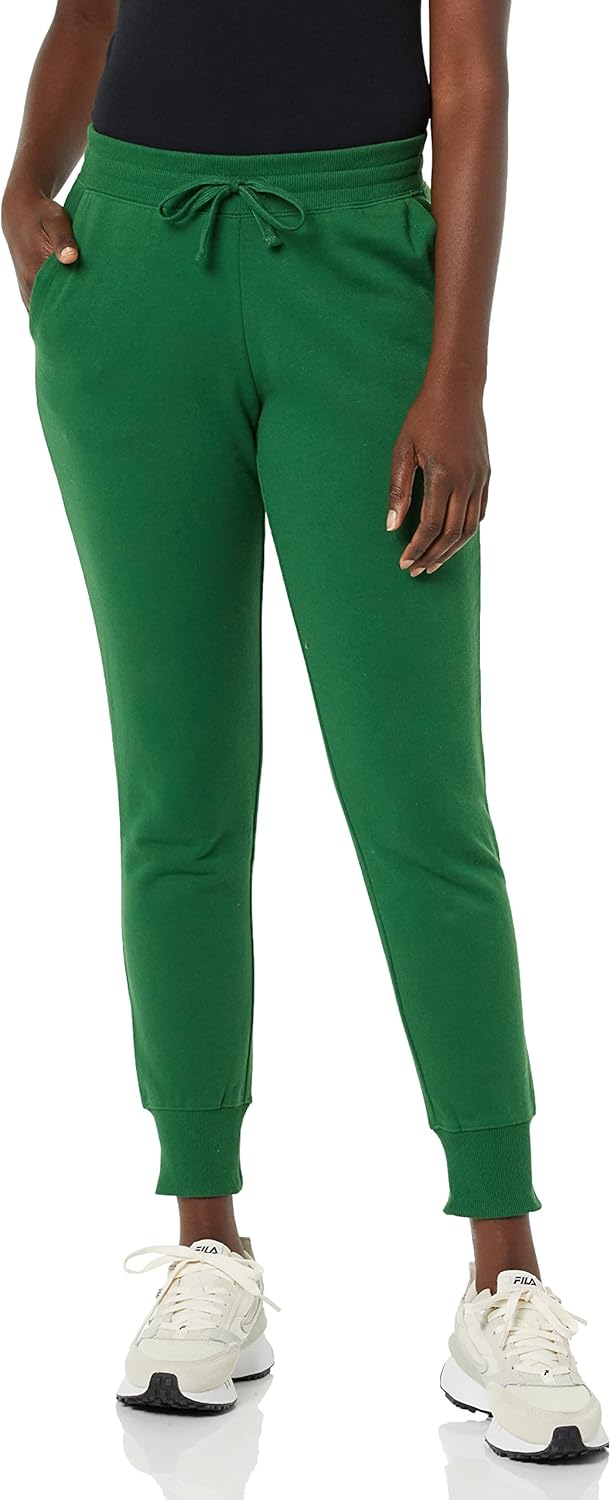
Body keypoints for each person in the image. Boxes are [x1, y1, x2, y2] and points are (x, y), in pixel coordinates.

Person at [2, 0, 606, 1462]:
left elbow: (471, 79)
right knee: (178, 793)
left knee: (422, 803)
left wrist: (456, 378)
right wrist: (26, 184)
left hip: (363, 278)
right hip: (131, 272)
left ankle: (504, 1270)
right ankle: (206, 1243)